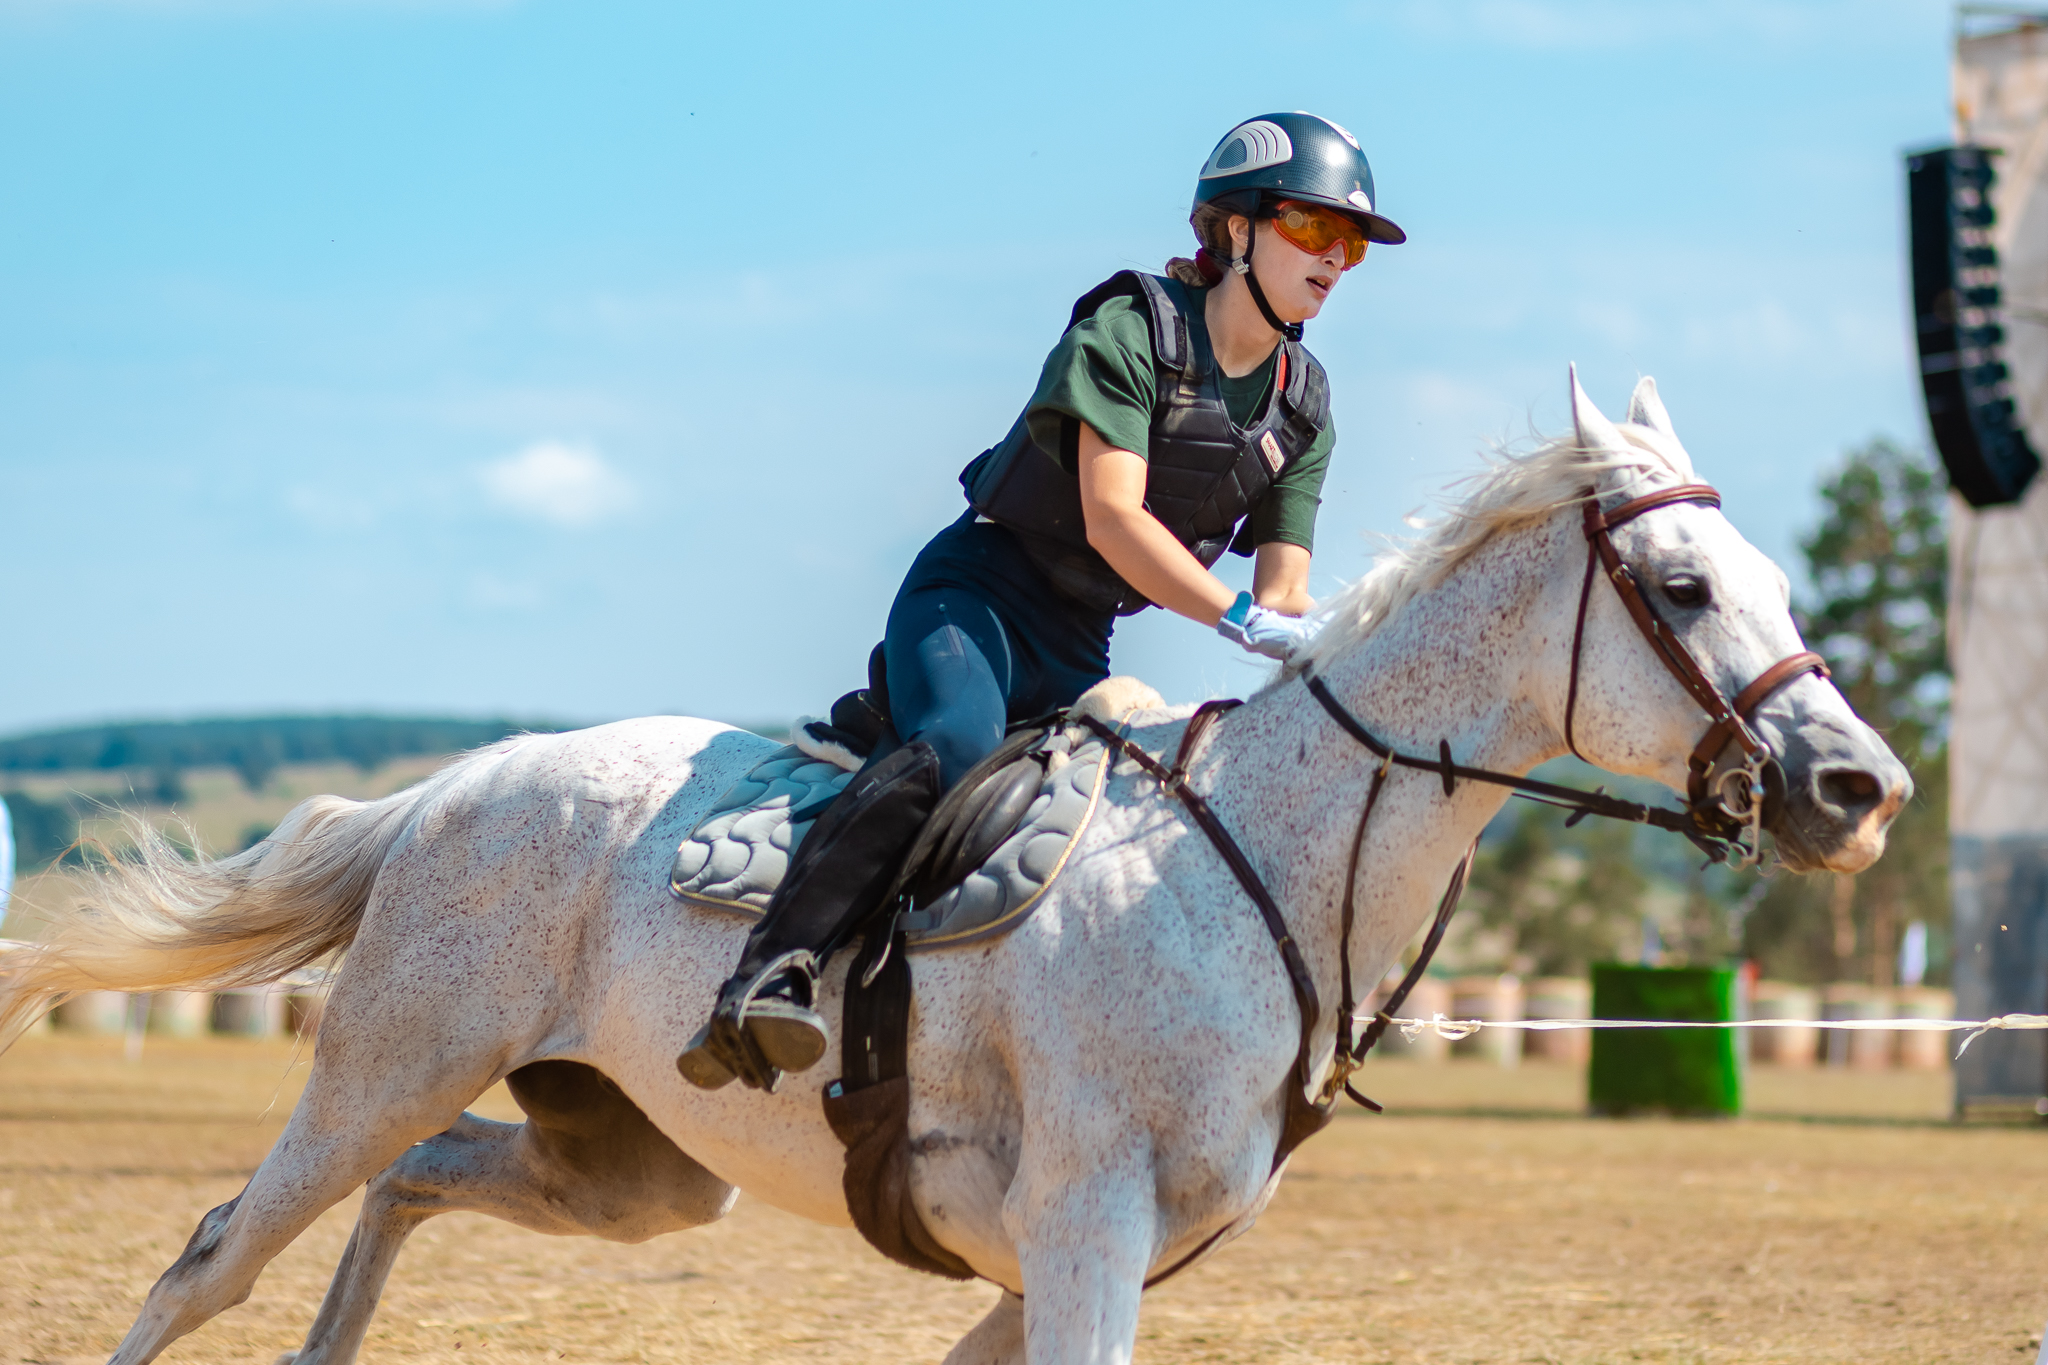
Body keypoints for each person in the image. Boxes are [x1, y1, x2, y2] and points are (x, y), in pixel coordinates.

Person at [679, 111, 1406, 1091]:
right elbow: (1112, 520)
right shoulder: (1129, 329)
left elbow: (1283, 587)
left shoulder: (1301, 405)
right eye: (1315, 230)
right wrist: (1239, 620)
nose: (1336, 260)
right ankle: (764, 980)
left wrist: (1315, 642)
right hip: (974, 596)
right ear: (1234, 230)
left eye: (1351, 244)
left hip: (1078, 641)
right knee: (954, 757)